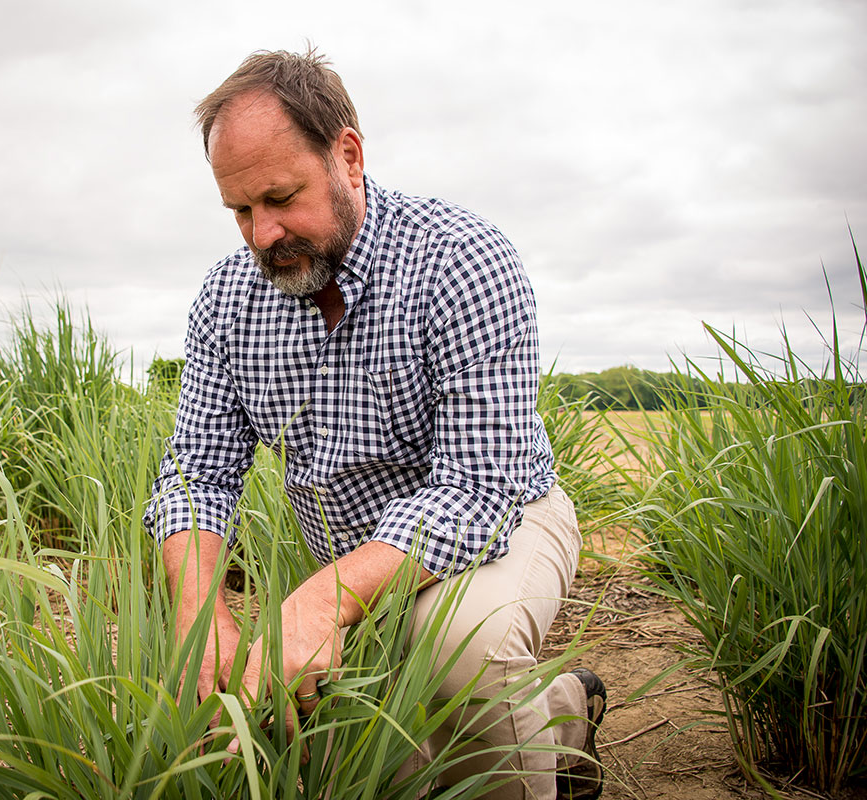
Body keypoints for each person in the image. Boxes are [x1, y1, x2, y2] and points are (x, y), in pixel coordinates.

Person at [142, 46, 606, 800]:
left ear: (348, 156)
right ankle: (561, 714)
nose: (262, 235)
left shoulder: (460, 259)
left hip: (505, 525)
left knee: (459, 648)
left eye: (281, 197)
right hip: (353, 558)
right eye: (240, 210)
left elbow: (474, 492)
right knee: (342, 751)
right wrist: (204, 618)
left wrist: (322, 600)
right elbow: (198, 472)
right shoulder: (228, 299)